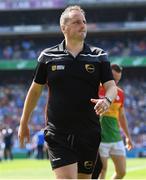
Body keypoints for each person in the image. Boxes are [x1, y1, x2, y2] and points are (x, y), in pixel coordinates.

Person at [18, 5, 117, 179]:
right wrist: (24, 122)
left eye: (84, 21)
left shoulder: (99, 55)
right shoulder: (47, 56)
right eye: (77, 22)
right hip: (58, 132)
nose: (83, 25)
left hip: (89, 131)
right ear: (64, 28)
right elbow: (35, 91)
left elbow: (111, 86)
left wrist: (107, 101)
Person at [92, 64, 133, 179]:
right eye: (113, 78)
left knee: (121, 172)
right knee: (102, 170)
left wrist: (128, 136)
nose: (115, 82)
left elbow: (121, 116)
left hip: (116, 138)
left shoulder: (120, 93)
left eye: (118, 80)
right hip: (100, 138)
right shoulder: (93, 89)